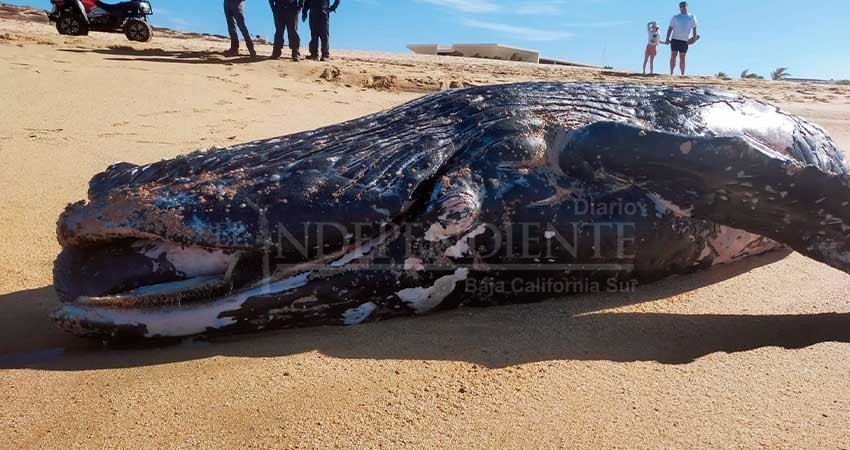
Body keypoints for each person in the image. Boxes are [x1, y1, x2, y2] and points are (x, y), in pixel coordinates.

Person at [664, 1, 699, 76]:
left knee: (682, 57)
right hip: (675, 39)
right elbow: (670, 28)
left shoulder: (691, 16)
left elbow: (694, 28)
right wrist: (667, 38)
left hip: (684, 40)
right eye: (681, 6)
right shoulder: (675, 17)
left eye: (684, 6)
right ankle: (671, 72)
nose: (682, 7)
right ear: (679, 8)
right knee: (673, 55)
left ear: (687, 6)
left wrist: (694, 39)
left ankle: (682, 74)